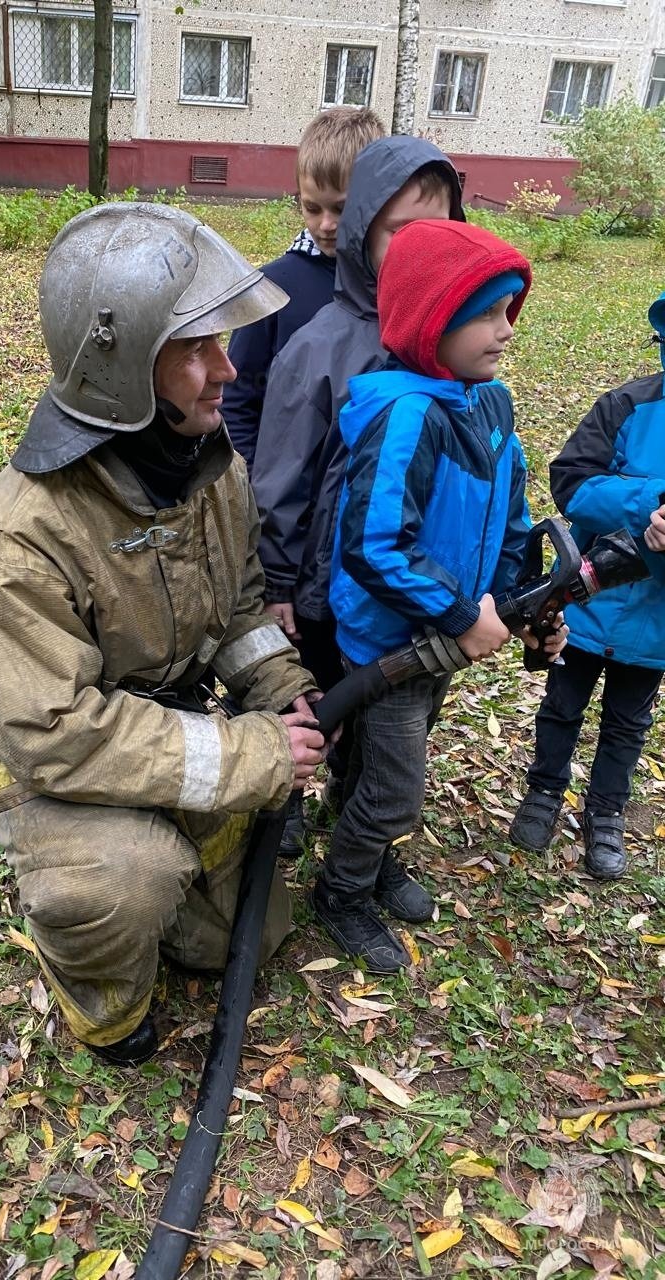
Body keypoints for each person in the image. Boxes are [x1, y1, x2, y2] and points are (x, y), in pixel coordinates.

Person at [0, 203, 328, 1067]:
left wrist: (280, 693)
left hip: (146, 712)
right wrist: (249, 754)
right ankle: (102, 1008)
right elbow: (53, 735)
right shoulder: (18, 546)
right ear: (123, 371)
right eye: (195, 348)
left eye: (222, 341)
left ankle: (181, 855)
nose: (228, 368)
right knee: (123, 883)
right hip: (41, 750)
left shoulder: (212, 468)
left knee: (232, 943)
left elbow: (239, 606)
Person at [317, 219, 565, 973]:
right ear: (432, 321)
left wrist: (524, 605)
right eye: (487, 314)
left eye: (509, 311)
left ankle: (364, 848)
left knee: (369, 770)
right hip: (393, 645)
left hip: (446, 646)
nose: (505, 332)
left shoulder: (489, 404)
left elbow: (512, 519)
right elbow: (374, 545)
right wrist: (462, 613)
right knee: (396, 791)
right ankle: (343, 889)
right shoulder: (405, 413)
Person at [251, 136, 465, 855]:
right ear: (366, 228)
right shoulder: (321, 343)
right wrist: (277, 580)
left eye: (438, 232)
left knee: (392, 725)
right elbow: (280, 473)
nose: (420, 247)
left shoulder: (453, 345)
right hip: (324, 588)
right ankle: (279, 812)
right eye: (402, 232)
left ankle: (357, 830)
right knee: (316, 704)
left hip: (413, 594)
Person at [509, 292, 665, 879]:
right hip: (589, 599)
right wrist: (648, 503)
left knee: (629, 721)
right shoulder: (629, 404)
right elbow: (571, 482)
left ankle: (606, 813)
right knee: (562, 704)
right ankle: (544, 791)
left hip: (656, 625)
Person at [222, 105, 385, 471]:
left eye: (341, 209)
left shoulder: (392, 287)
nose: (326, 224)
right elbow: (236, 400)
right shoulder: (271, 289)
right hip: (284, 497)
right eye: (312, 208)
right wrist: (254, 486)